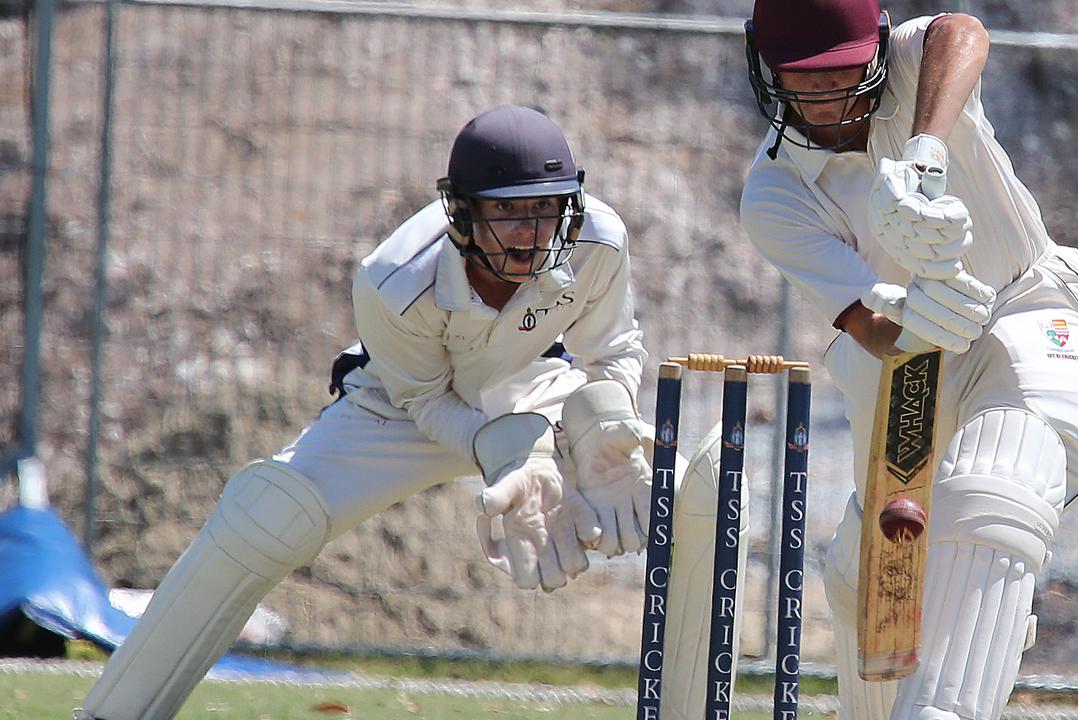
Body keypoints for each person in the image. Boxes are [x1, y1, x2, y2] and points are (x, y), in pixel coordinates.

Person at [75, 104, 747, 720]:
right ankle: (115, 715)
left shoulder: (596, 238)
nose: (533, 232)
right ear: (461, 213)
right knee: (263, 518)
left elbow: (616, 351)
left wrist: (603, 425)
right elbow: (426, 400)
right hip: (403, 405)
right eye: (511, 212)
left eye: (548, 209)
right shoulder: (394, 280)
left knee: (692, 503)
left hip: (537, 382)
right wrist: (509, 452)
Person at [740, 2, 1078, 720]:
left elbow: (961, 30)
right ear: (767, 70)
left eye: (845, 75)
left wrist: (925, 150)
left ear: (877, 48)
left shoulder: (912, 64)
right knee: (870, 572)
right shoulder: (774, 193)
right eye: (805, 82)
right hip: (907, 360)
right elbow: (865, 324)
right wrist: (909, 322)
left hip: (1025, 303)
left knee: (1001, 480)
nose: (828, 101)